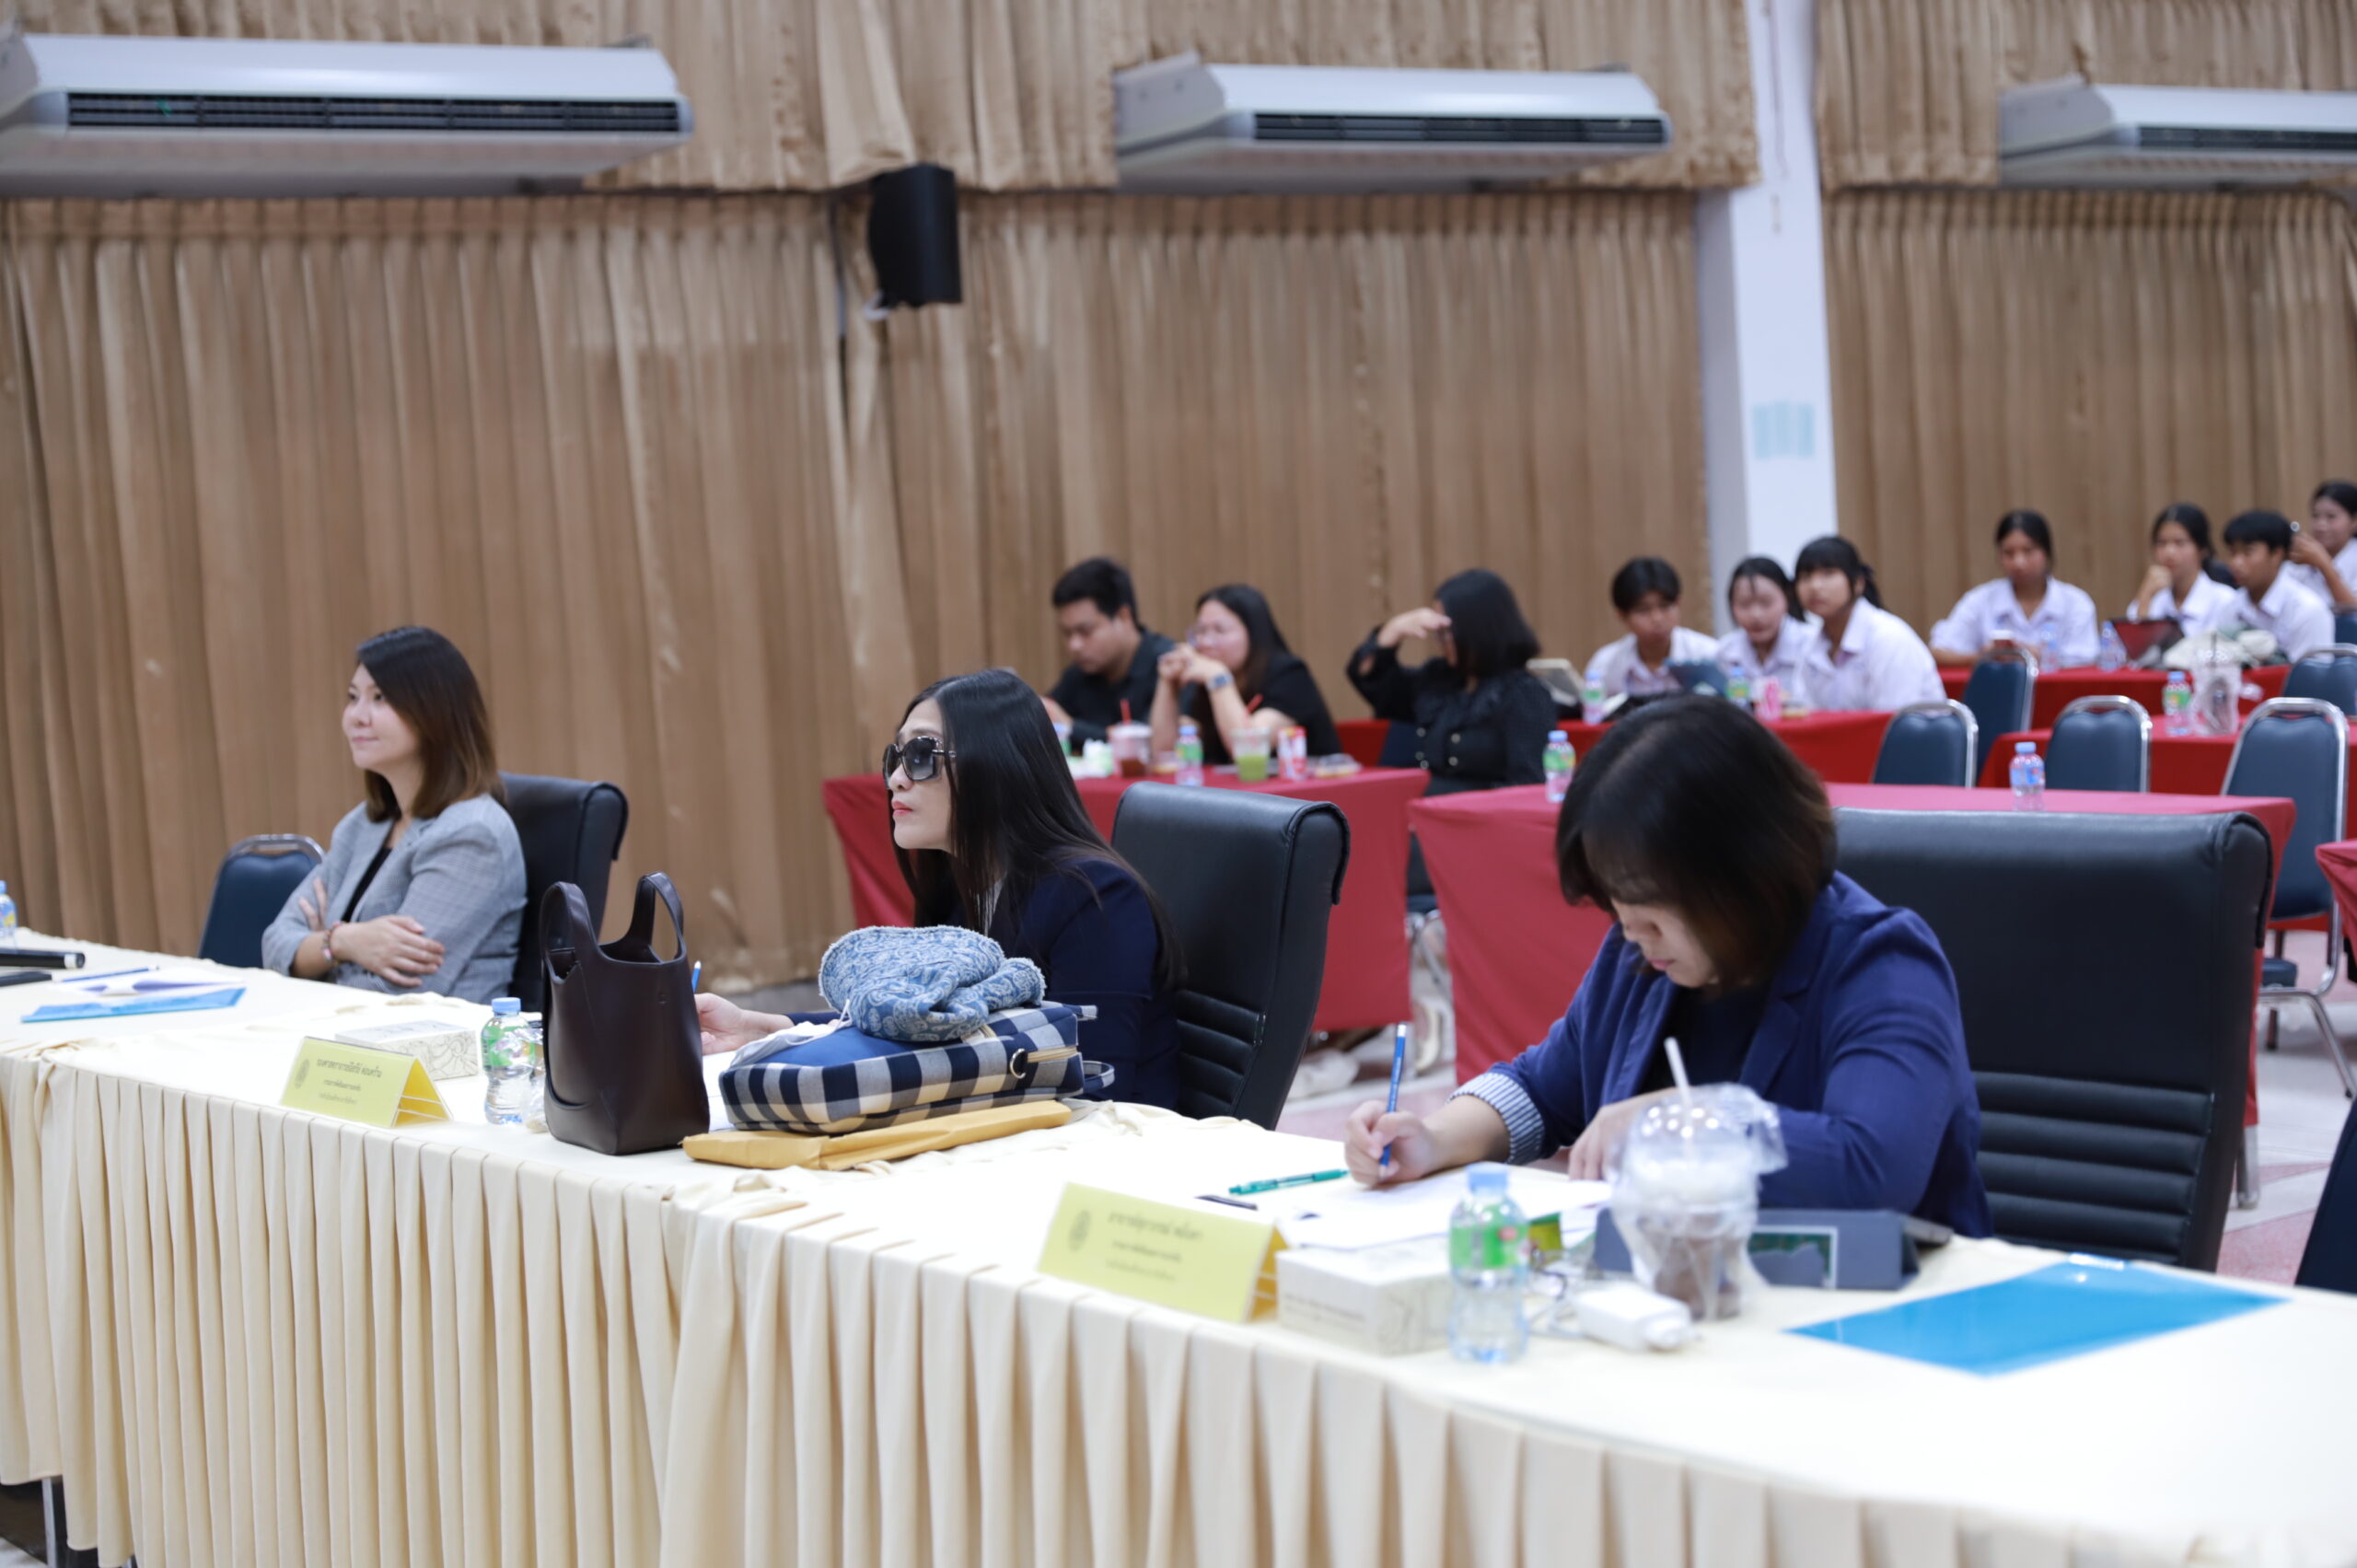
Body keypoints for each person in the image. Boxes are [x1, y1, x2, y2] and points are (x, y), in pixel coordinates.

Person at [1342, 697, 1991, 1234]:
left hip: (1882, 1311)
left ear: (1743, 873)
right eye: (1618, 908)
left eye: (1650, 911)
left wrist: (1683, 1120)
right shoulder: (1643, 956)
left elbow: (1872, 1169)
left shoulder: (1878, 961)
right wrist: (1433, 1138)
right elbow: (1542, 1089)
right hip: (1694, 1293)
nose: (1631, 933)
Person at [695, 669, 1185, 1108]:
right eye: (896, 757)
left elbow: (1093, 1085)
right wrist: (764, 1028)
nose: (895, 779)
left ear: (997, 765)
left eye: (921, 755)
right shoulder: (960, 885)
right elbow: (915, 1026)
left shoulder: (1095, 896)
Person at [261, 626, 527, 1005]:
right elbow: (274, 946)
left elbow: (397, 992)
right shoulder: (362, 826)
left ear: (434, 712)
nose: (356, 717)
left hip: (427, 1039)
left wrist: (317, 952)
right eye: (353, 698)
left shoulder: (471, 834)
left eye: (380, 698)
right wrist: (344, 942)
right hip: (340, 1032)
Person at [1347, 568, 1554, 795]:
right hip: (1423, 809)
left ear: (1478, 630)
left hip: (1479, 812)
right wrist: (1392, 630)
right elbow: (1375, 683)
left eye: (1447, 632)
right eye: (1439, 633)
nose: (1441, 641)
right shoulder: (1439, 680)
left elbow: (1529, 784)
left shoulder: (1523, 694)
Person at [1151, 584, 1341, 764]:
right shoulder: (1205, 680)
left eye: (1220, 630)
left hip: (1308, 787)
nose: (1206, 642)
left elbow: (1248, 750)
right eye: (1200, 630)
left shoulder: (1290, 675)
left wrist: (1218, 677)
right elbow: (1164, 755)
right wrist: (1167, 683)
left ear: (1253, 633)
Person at [1928, 510, 2100, 668]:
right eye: (2009, 553)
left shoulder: (2076, 603)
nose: (2019, 563)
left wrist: (2040, 657)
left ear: (2046, 552)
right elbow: (1938, 651)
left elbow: (2088, 659)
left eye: (2028, 551)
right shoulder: (1980, 600)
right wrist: (1982, 657)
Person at [1789, 537, 1945, 712]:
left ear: (1858, 583)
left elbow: (1894, 719)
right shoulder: (1812, 644)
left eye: (1828, 573)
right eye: (1805, 577)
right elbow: (1808, 714)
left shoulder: (1887, 637)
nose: (1815, 586)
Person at [1042, 557, 1176, 747]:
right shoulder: (1079, 674)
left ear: (1123, 616)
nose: (1074, 645)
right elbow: (1048, 716)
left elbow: (1151, 746)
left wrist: (1071, 728)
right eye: (1067, 633)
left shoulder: (1169, 665)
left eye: (1085, 631)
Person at [1582, 557, 1719, 700]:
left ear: (1678, 603)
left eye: (1665, 606)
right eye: (1643, 610)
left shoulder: (1709, 655)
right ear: (1622, 615)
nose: (1657, 618)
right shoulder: (1604, 666)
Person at [2222, 508, 2334, 661]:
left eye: (2248, 553)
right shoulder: (2231, 605)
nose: (2236, 563)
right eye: (2233, 553)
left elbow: (2311, 674)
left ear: (2276, 554)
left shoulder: (2307, 611)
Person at [2126, 503, 2235, 635]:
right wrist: (2145, 597)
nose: (2169, 552)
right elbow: (2129, 645)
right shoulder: (2151, 598)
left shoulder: (2224, 601)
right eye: (2162, 543)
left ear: (2202, 549)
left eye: (2180, 542)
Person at [1714, 557, 1815, 691]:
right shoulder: (1726, 651)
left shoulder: (1812, 645)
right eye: (1744, 604)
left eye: (1766, 603)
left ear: (1787, 598)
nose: (1756, 615)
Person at [2285, 481, 2357, 612]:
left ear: (2354, 521)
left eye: (2331, 517)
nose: (2320, 525)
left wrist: (2324, 564)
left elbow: (2353, 612)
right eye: (2315, 516)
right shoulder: (2303, 555)